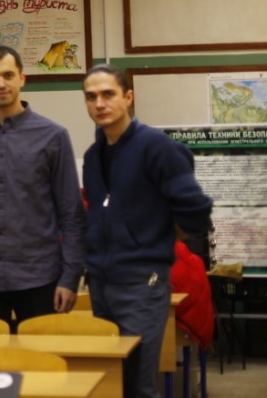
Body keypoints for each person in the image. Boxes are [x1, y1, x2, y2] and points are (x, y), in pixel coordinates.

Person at [82, 64, 212, 398]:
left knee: (140, 387)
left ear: (128, 97)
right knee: (113, 384)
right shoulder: (93, 156)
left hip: (142, 286)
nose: (100, 103)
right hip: (101, 285)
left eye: (108, 94)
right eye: (91, 97)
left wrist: (153, 239)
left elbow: (196, 211)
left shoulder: (158, 148)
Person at [0, 46, 85, 329]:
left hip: (39, 277)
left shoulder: (53, 136)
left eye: (8, 75)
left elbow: (71, 214)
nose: (1, 84)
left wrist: (70, 277)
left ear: (22, 78)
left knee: (41, 357)